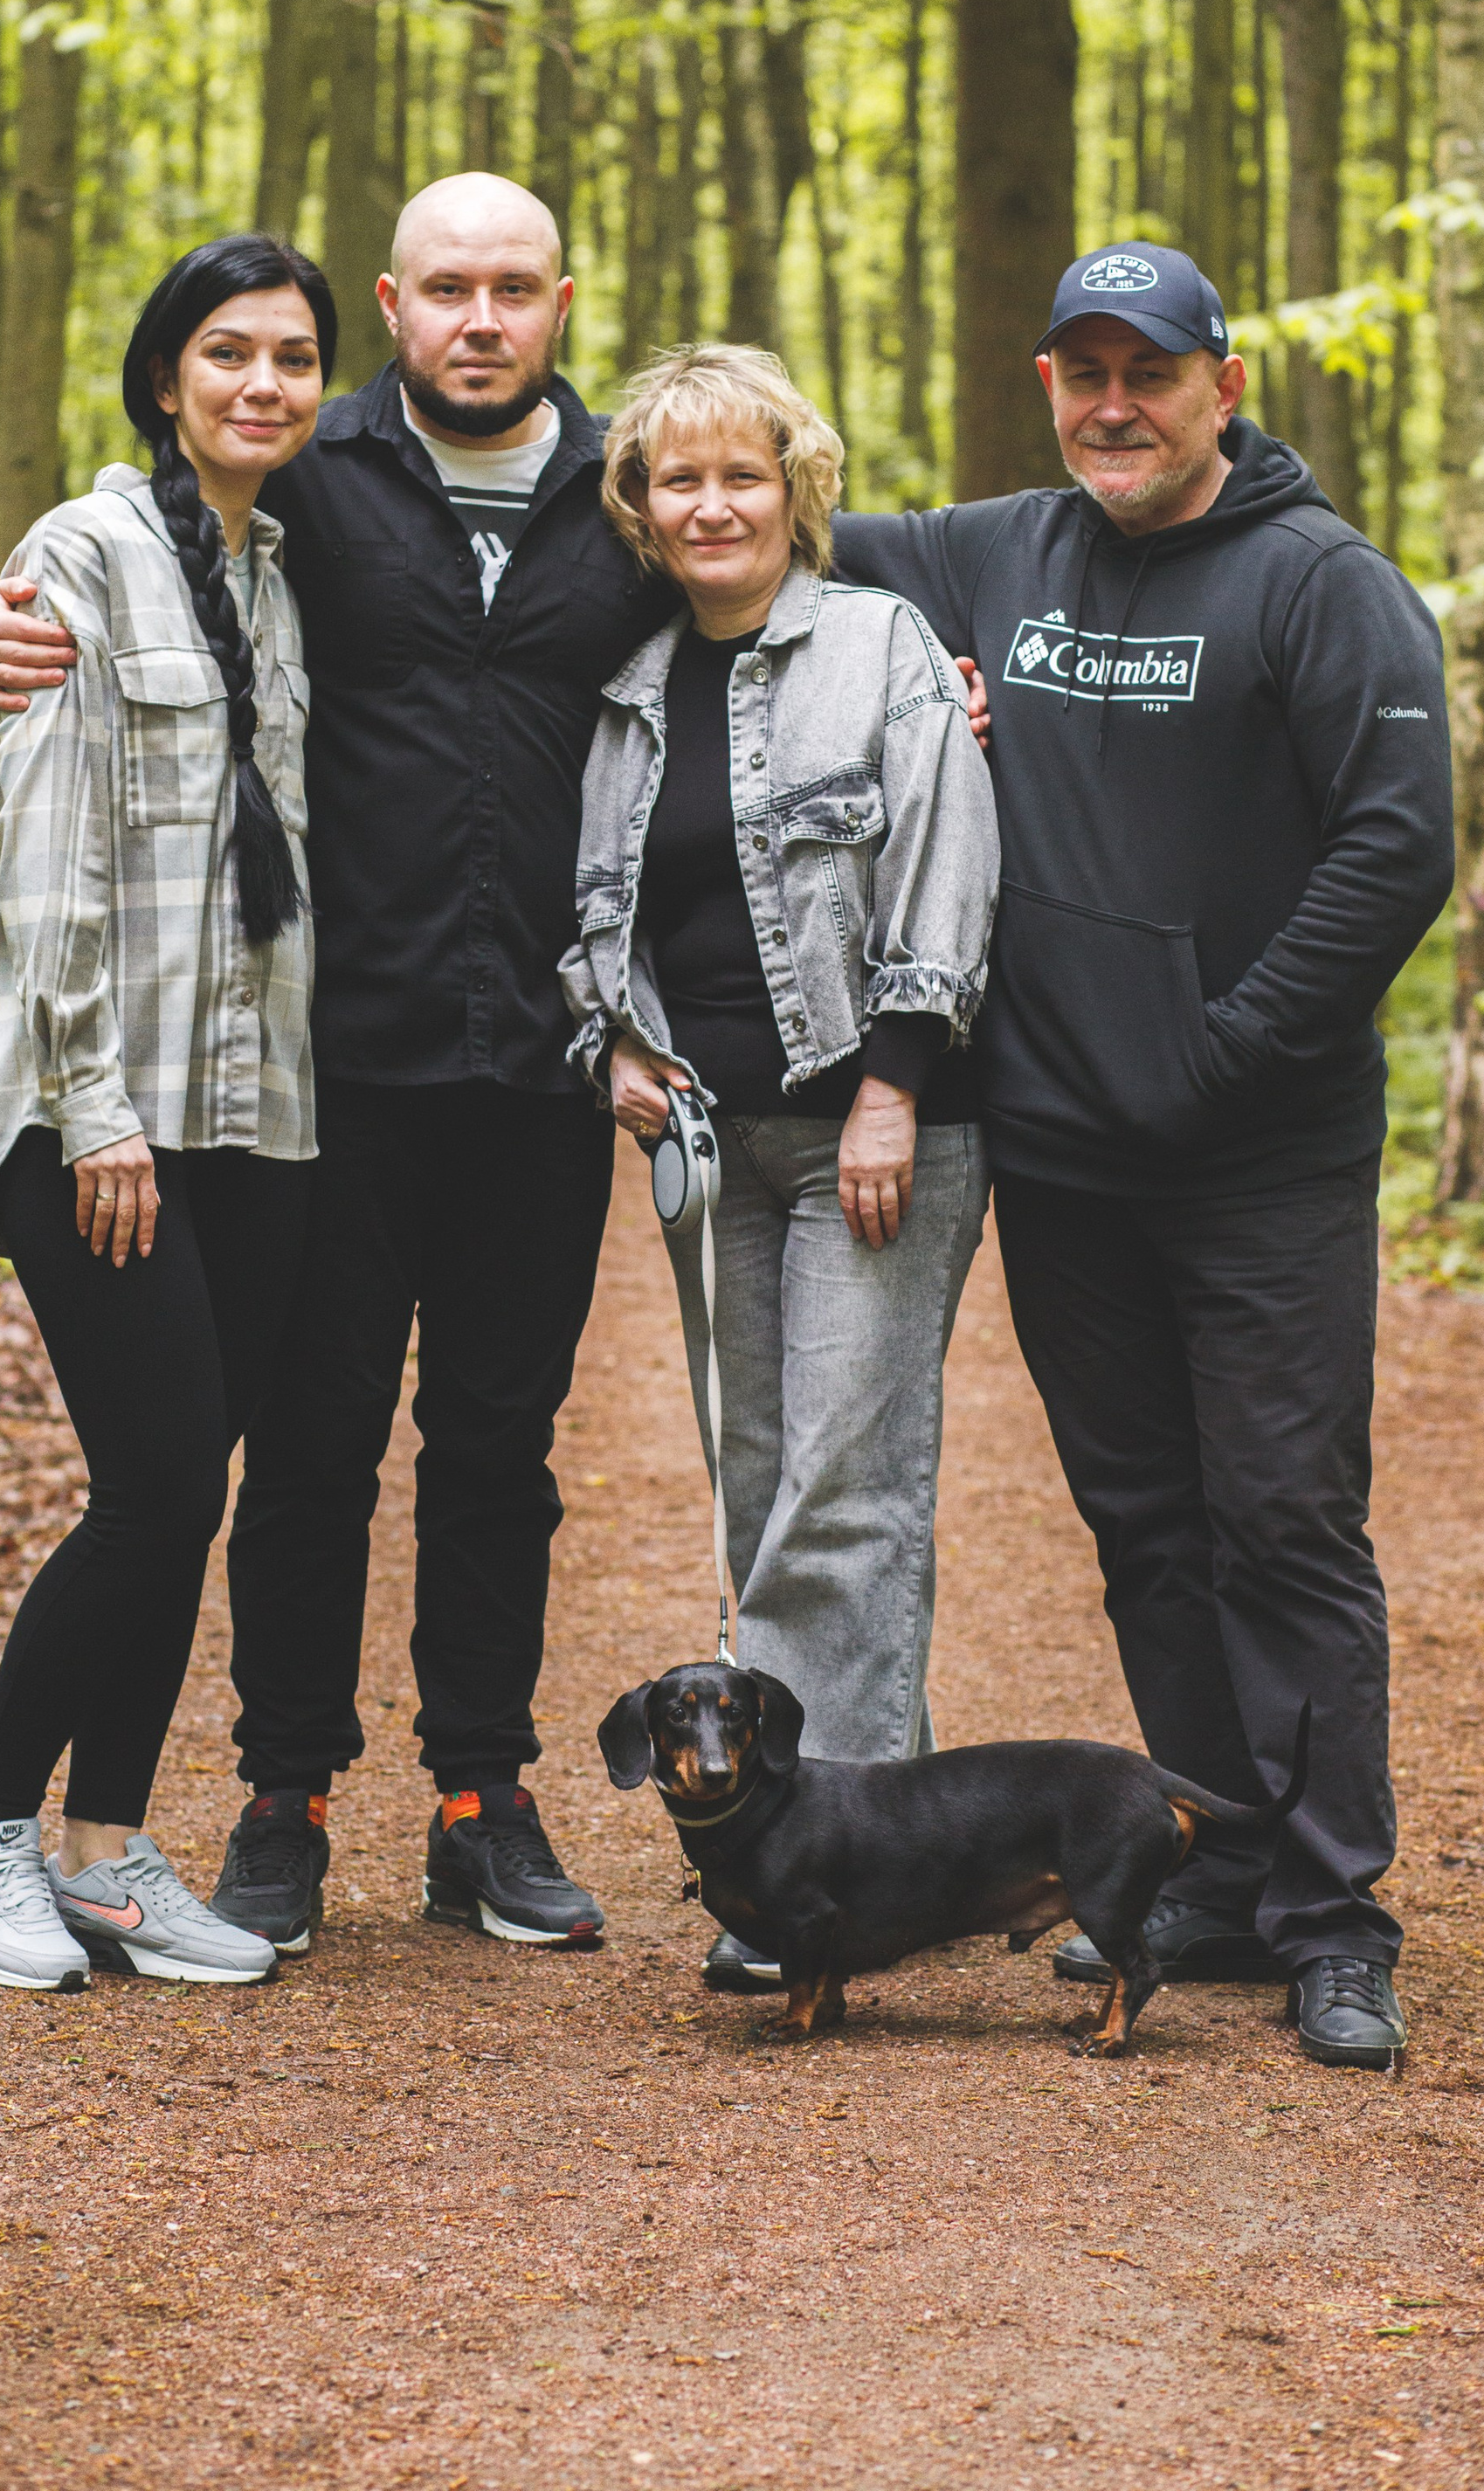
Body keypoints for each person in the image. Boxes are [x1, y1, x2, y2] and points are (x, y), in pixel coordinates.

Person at [0, 175, 682, 1955]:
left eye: (513, 288)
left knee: (497, 1449)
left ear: (563, 304)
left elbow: (796, 587)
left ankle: (479, 1802)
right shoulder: (311, 482)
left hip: (536, 1069)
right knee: (299, 1455)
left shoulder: (644, 493)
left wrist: (949, 670)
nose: (480, 318)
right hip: (323, 1071)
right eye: (446, 288)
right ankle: (282, 1797)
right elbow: (102, 624)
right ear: (397, 301)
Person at [832, 240, 1455, 2070]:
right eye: (1081, 372)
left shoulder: (1317, 585)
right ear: (1046, 386)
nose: (1114, 404)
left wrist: (1222, 1053)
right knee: (1144, 1529)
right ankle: (1222, 1867)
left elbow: (1390, 851)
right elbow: (730, 510)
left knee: (1282, 1523)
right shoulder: (989, 555)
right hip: (1064, 1156)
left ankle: (1335, 1914)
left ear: (1219, 384)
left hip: (1255, 1158)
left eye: (1148, 373)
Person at [0, 234, 333, 1993]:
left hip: (249, 1113)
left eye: (293, 358)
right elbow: (40, 853)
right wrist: (93, 1111)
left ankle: (107, 1852)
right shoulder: (77, 558)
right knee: (155, 1481)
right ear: (165, 376)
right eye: (225, 351)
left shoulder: (284, 573)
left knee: (187, 1485)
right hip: (100, 1111)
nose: (261, 383)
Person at [562, 347, 998, 1992]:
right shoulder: (630, 689)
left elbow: (949, 872)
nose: (712, 504)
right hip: (710, 1144)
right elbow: (600, 911)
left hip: (873, 1138)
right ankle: (889, 1823)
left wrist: (897, 1082)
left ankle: (831, 1878)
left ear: (795, 488)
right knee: (767, 1484)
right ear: (643, 509)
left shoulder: (879, 645)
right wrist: (607, 1042)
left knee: (845, 1488)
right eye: (679, 480)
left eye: (742, 474)